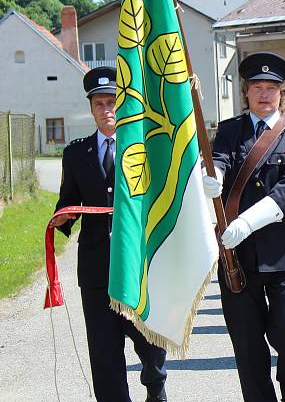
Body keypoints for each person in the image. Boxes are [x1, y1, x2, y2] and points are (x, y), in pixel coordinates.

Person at [50, 67, 167, 402]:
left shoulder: (143, 148)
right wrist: (63, 217)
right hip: (96, 266)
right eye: (99, 103)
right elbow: (69, 199)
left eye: (112, 102)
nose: (107, 110)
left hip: (137, 264)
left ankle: (155, 385)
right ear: (91, 108)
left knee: (150, 342)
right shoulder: (75, 153)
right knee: (103, 351)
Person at [204, 53, 285, 402]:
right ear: (245, 92)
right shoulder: (229, 130)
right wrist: (212, 179)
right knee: (248, 343)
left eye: (272, 88)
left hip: (284, 253)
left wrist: (247, 222)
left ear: (283, 94)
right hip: (238, 256)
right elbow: (219, 160)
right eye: (257, 87)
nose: (264, 94)